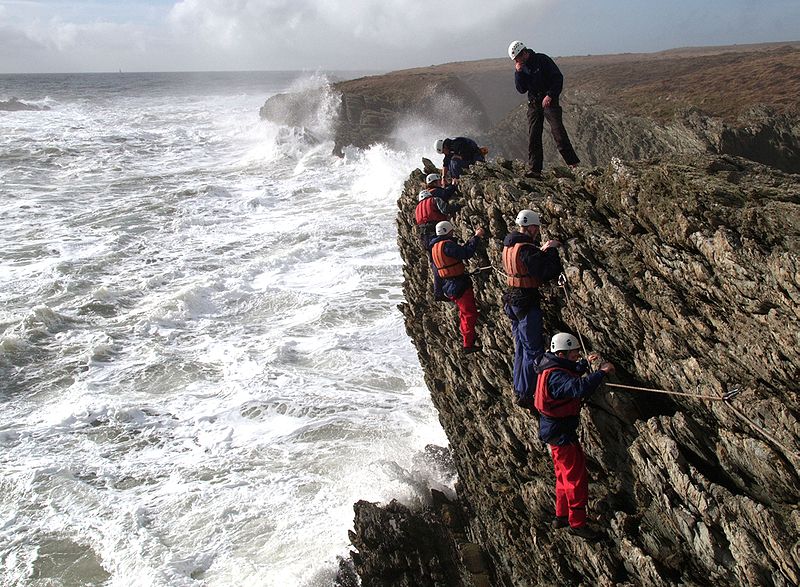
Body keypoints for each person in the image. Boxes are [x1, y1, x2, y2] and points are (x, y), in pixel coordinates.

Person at [535, 332, 615, 540]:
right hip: (562, 434)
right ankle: (577, 523)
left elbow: (567, 373)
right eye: (573, 354)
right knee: (576, 478)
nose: (576, 357)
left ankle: (561, 516)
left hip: (554, 432)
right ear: (561, 353)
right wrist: (602, 373)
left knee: (563, 476)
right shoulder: (556, 375)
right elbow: (578, 388)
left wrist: (582, 365)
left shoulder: (550, 366)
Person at [502, 209, 562, 409]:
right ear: (531, 227)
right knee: (532, 350)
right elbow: (545, 272)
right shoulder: (526, 249)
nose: (537, 231)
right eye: (536, 228)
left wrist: (541, 251)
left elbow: (528, 262)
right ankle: (527, 393)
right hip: (526, 302)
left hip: (512, 301)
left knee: (520, 348)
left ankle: (520, 388)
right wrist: (552, 250)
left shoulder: (510, 244)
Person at [508, 40, 580, 177]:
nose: (516, 61)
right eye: (515, 60)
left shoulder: (542, 59)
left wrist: (550, 95)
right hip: (534, 104)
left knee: (558, 132)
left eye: (517, 58)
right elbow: (521, 89)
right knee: (534, 136)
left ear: (524, 53)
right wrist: (518, 73)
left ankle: (573, 164)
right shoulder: (521, 68)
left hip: (549, 101)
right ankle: (535, 170)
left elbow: (558, 78)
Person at [429, 221, 485, 354]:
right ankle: (468, 344)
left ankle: (468, 338)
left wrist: (438, 292)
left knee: (464, 314)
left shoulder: (434, 248)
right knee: (468, 314)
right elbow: (466, 253)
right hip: (458, 285)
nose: (453, 233)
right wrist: (476, 237)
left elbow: (436, 272)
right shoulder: (447, 246)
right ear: (447, 231)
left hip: (449, 286)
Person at [415, 173, 462, 300]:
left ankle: (440, 290)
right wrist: (459, 205)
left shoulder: (418, 207)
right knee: (440, 261)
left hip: (423, 236)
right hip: (433, 232)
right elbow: (446, 209)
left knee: (435, 261)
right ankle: (442, 291)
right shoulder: (434, 199)